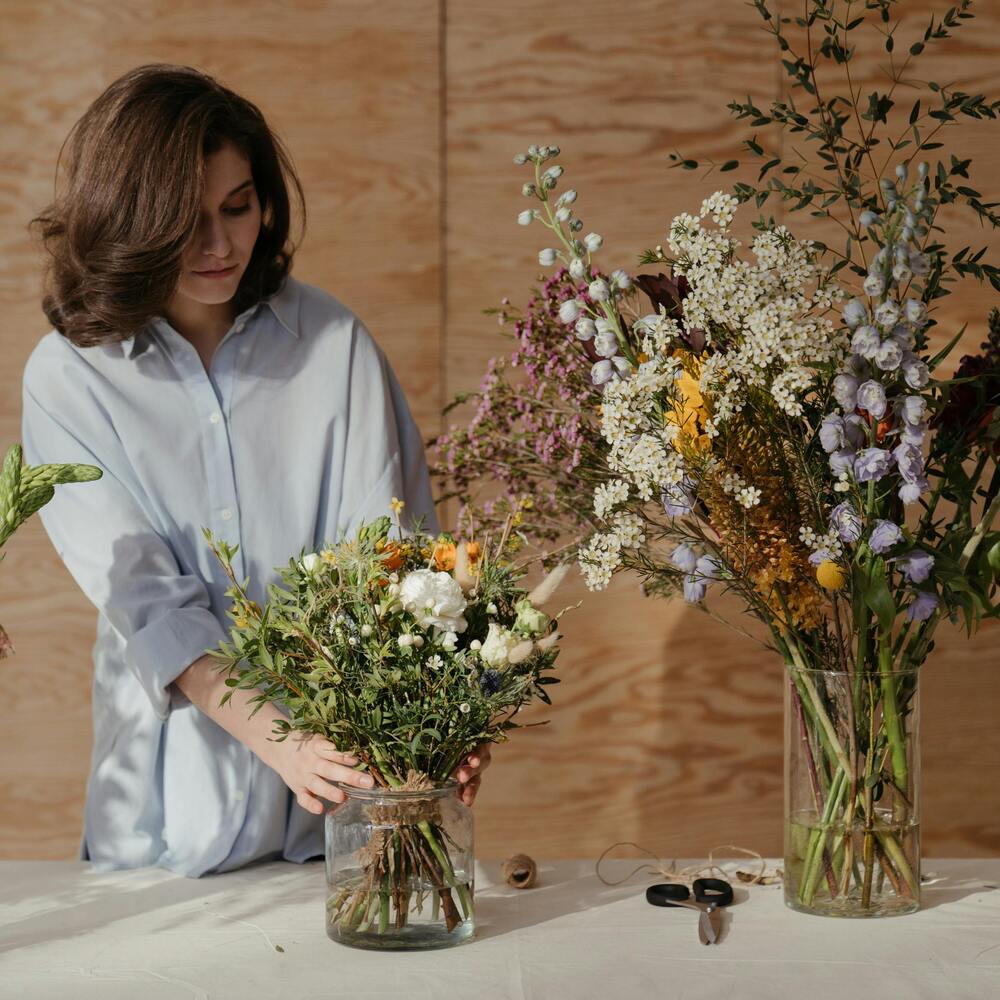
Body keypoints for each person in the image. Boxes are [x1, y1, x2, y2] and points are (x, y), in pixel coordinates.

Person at [20, 63, 489, 878]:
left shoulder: (333, 347)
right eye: (185, 222)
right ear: (132, 224)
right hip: (165, 832)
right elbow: (154, 610)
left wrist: (436, 725)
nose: (219, 244)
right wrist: (292, 747)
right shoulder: (69, 378)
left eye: (236, 207)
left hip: (335, 828)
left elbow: (395, 569)